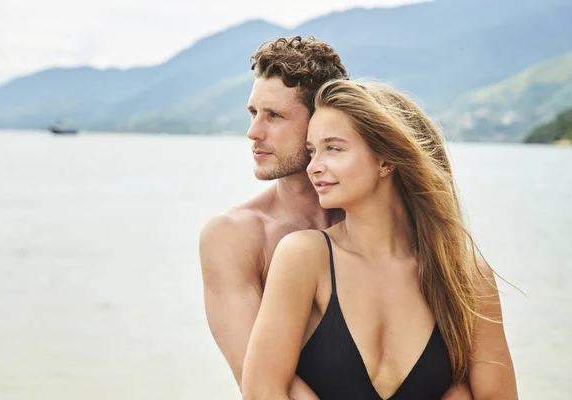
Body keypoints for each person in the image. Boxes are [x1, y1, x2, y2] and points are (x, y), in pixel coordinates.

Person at [201, 36, 473, 399]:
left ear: (321, 119)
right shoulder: (234, 236)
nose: (254, 133)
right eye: (253, 114)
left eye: (275, 116)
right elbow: (261, 385)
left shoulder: (392, 230)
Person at [241, 80, 518, 399]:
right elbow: (262, 391)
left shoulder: (465, 274)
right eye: (312, 151)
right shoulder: (305, 256)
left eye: (333, 148)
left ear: (386, 160)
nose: (314, 167)